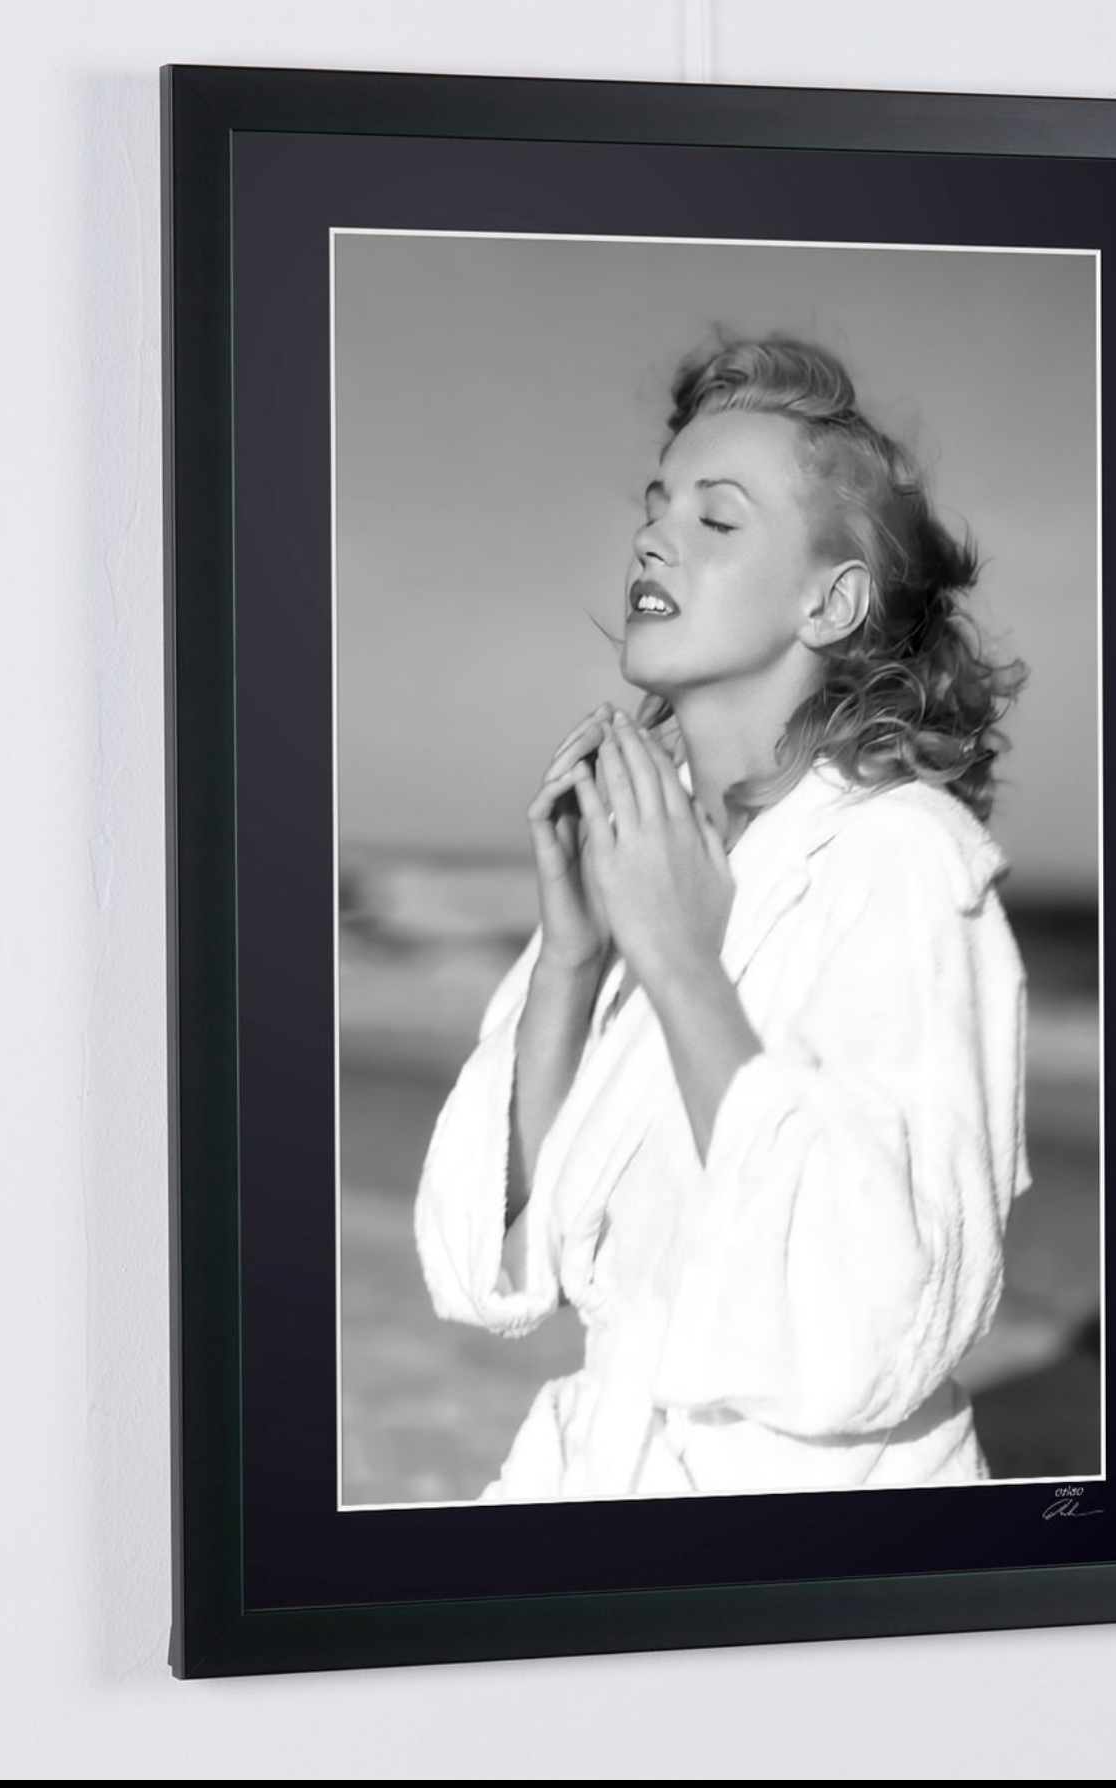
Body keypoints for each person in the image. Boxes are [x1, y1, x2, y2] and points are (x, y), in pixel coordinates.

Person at [413, 332, 1032, 1501]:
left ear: (830, 602)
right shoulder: (659, 859)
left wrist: (683, 967)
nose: (654, 538)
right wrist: (575, 964)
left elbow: (875, 1332)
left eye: (717, 517)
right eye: (657, 507)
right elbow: (484, 1263)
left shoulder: (900, 863)